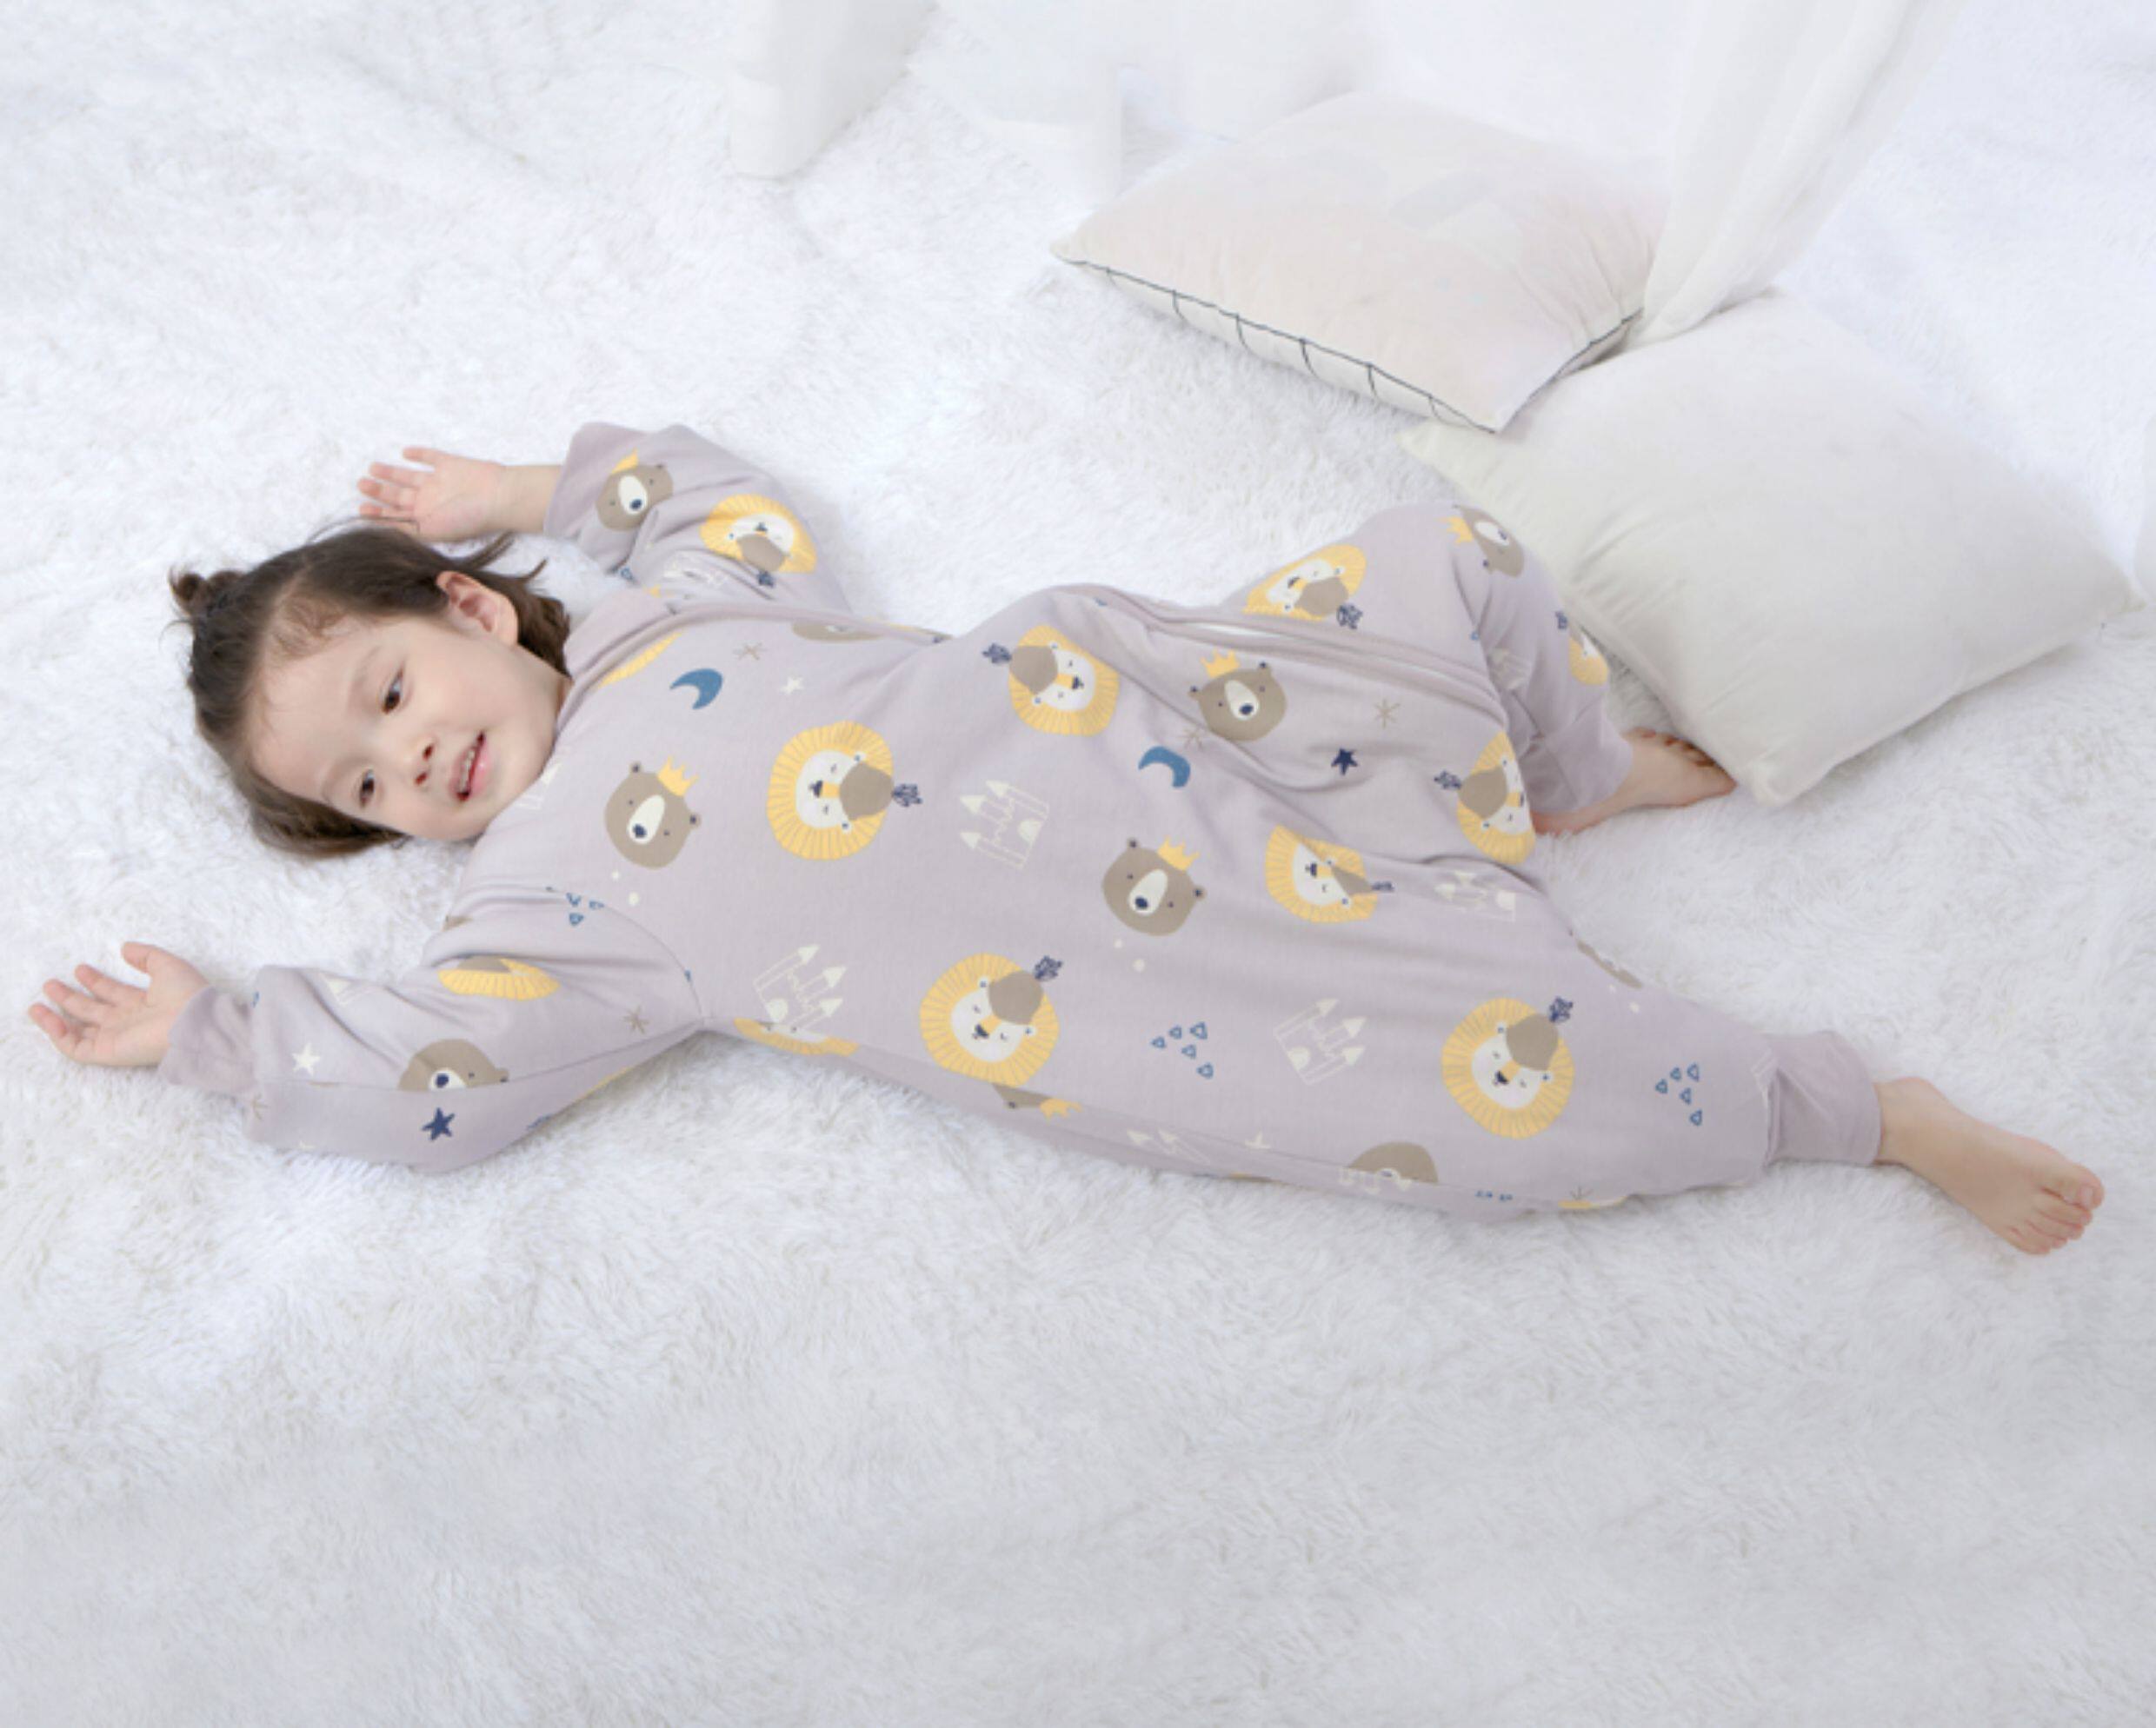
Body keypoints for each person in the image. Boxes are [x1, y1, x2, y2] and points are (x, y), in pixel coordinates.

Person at [27, 422, 2105, 1254]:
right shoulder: (545, 913)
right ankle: (1865, 1114)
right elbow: (440, 1072)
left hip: (1187, 719)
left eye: (395, 702)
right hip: (1173, 974)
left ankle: (1559, 768)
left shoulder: (682, 616)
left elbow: (711, 497)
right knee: (1513, 1106)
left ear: (472, 613)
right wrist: (217, 1032)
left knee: (1439, 560)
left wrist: (531, 480)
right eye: (363, 791)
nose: (415, 769)